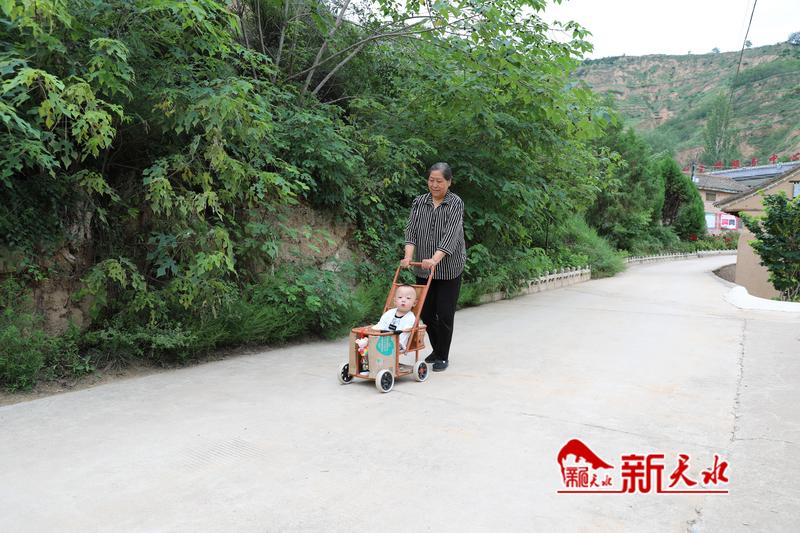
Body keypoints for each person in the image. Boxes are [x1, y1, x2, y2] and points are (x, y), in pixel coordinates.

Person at [400, 162, 466, 372]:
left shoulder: (455, 203)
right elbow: (411, 231)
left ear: (449, 182)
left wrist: (435, 259)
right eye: (431, 180)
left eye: (439, 181)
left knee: (444, 314)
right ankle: (437, 348)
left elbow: (451, 235)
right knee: (426, 313)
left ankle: (442, 355)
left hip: (448, 268)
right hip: (423, 267)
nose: (435, 185)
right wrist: (408, 257)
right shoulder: (419, 202)